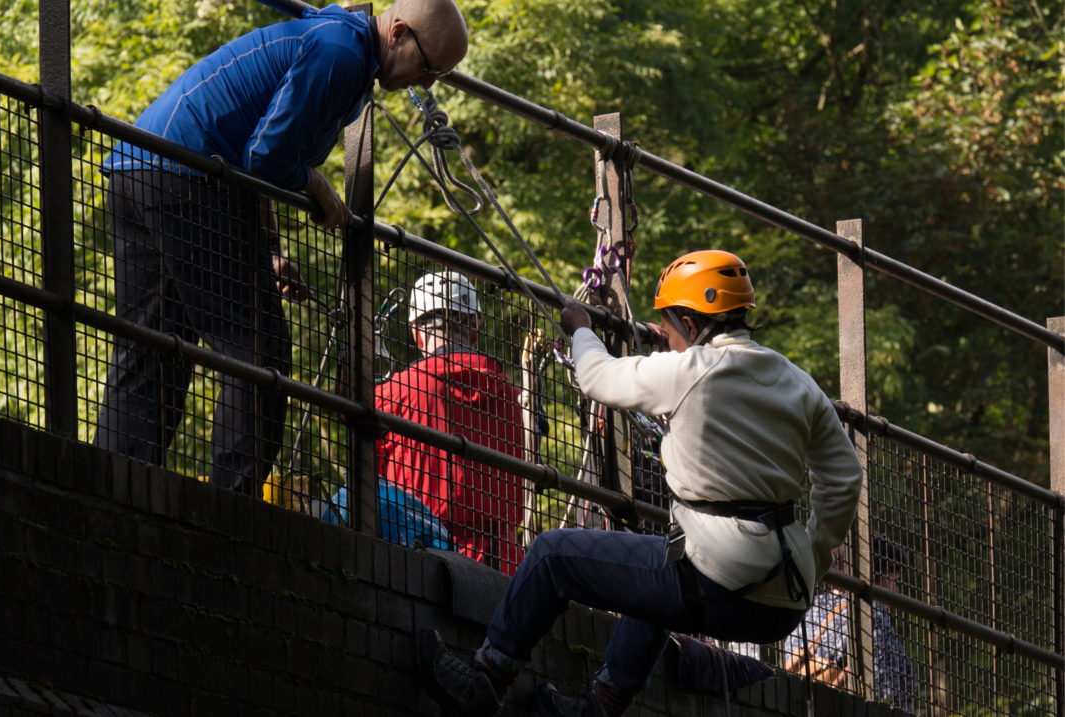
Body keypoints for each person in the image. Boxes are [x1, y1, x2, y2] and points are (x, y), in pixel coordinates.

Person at [412, 250, 864, 717]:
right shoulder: (798, 381)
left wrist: (581, 327)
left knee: (550, 555)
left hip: (720, 579)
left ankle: (485, 680)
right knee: (655, 575)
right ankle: (601, 706)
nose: (667, 341)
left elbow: (597, 376)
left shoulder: (690, 371)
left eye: (668, 329)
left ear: (691, 323)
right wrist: (814, 552)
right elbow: (844, 478)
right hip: (785, 599)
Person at [92, 0, 469, 495]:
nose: (426, 85)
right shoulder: (341, 54)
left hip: (137, 166)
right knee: (258, 348)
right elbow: (265, 156)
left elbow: (258, 148)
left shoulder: (341, 44)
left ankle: (109, 489)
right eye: (428, 67)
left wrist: (268, 248)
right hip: (185, 176)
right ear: (397, 33)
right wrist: (315, 185)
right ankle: (234, 512)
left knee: (153, 346)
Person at [374, 271, 527, 575]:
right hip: (503, 566)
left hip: (417, 562)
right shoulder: (512, 396)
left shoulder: (394, 394)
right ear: (473, 329)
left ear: (417, 334)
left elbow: (370, 478)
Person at [783, 535, 919, 712]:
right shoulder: (871, 613)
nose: (896, 589)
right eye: (894, 579)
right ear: (876, 575)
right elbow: (883, 684)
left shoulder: (812, 608)